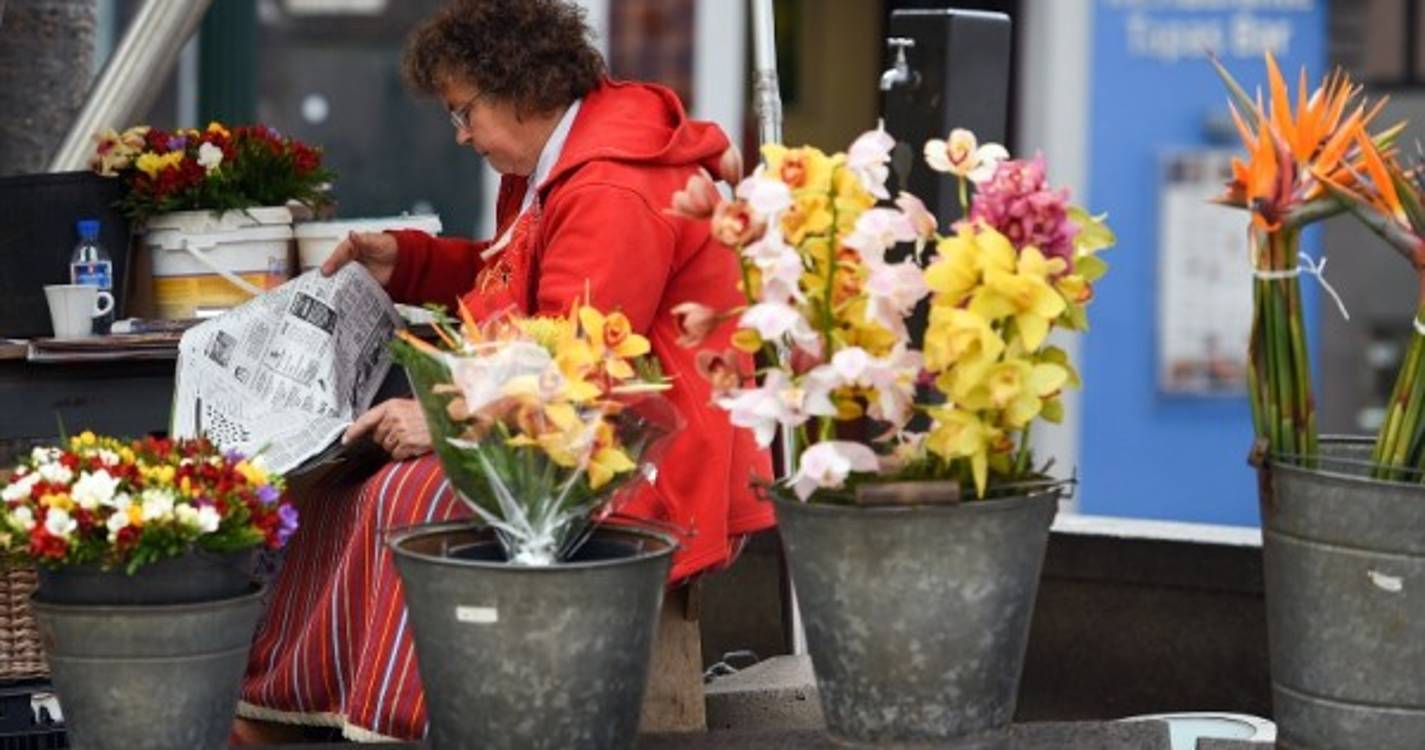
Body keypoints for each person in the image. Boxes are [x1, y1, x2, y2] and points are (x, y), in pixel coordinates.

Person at [231, 0, 773, 743]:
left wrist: (446, 421)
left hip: (652, 461)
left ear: (523, 90)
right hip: (596, 433)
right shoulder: (567, 158)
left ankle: (383, 722)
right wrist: (411, 261)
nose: (459, 135)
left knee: (408, 495)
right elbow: (529, 292)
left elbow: (574, 368)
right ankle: (287, 709)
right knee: (334, 488)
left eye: (464, 112)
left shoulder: (611, 186)